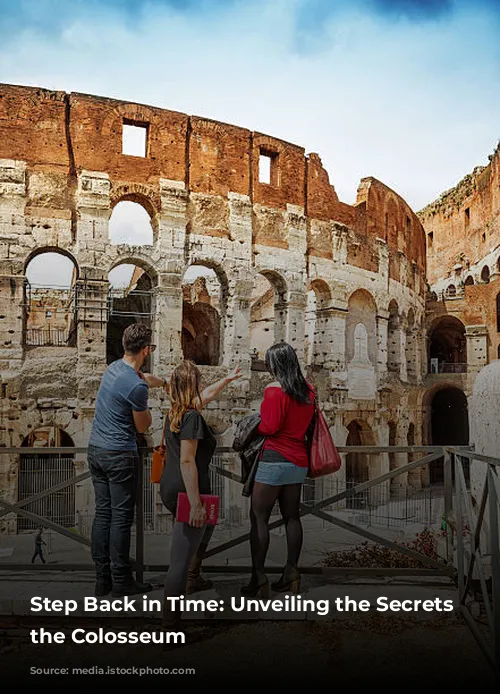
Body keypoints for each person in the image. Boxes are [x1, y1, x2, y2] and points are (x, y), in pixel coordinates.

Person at [159, 360, 242, 632]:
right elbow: (187, 461)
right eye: (200, 380)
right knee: (179, 563)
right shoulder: (193, 417)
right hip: (186, 490)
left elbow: (204, 398)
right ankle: (171, 628)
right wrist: (195, 504)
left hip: (172, 486)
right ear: (192, 385)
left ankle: (193, 579)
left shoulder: (177, 410)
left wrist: (227, 380)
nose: (204, 384)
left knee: (198, 537)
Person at [88, 322, 167, 597]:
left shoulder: (113, 369)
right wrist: (148, 401)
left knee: (103, 515)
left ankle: (102, 580)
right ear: (146, 349)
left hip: (95, 450)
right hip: (119, 454)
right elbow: (143, 426)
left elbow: (138, 380)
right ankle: (122, 580)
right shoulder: (136, 387)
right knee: (121, 518)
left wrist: (159, 382)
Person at [242, 342, 315, 598]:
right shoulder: (308, 391)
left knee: (259, 518)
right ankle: (291, 572)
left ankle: (258, 578)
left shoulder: (275, 390)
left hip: (274, 459)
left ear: (275, 365)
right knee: (292, 517)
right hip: (298, 460)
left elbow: (270, 427)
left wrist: (253, 424)